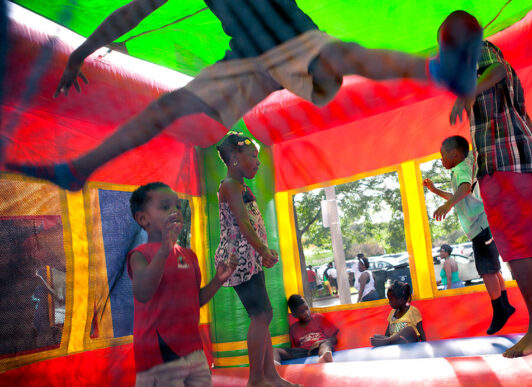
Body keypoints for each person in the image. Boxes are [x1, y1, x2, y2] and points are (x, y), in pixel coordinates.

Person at [6, 3, 483, 191]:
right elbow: (131, 11)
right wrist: (81, 53)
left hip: (292, 45)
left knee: (339, 61)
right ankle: (79, 169)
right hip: (249, 58)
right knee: (168, 106)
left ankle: (440, 71)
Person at [445, 11, 532, 357]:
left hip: (502, 164)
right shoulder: (490, 66)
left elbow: (496, 70)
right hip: (524, 161)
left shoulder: (483, 54)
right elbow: (524, 116)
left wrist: (467, 92)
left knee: (517, 248)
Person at [126, 182, 237, 386]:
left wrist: (218, 281)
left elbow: (195, 300)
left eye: (177, 206)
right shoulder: (140, 255)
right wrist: (165, 249)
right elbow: (142, 292)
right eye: (165, 206)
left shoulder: (189, 255)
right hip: (159, 355)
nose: (175, 211)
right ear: (143, 219)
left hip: (193, 350)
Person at [214, 132, 296, 387]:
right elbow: (243, 223)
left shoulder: (240, 186)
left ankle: (270, 375)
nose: (258, 162)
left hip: (250, 261)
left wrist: (260, 253)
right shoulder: (228, 185)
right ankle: (256, 380)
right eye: (253, 156)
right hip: (238, 262)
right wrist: (262, 250)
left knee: (263, 316)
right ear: (235, 159)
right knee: (262, 315)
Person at [424, 135, 515, 335]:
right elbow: (459, 193)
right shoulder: (465, 166)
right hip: (483, 224)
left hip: (479, 225)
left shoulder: (461, 168)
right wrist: (435, 191)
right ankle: (505, 305)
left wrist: (447, 205)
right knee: (493, 268)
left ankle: (499, 309)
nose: (441, 160)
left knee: (487, 271)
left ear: (454, 154)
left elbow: (464, 189)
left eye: (442, 155)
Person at [274, 294, 338, 365]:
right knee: (275, 351)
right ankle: (275, 367)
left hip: (319, 347)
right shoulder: (293, 329)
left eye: (307, 308)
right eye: (302, 312)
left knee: (325, 344)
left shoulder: (319, 318)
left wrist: (320, 342)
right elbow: (295, 349)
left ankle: (324, 358)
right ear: (294, 315)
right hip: (304, 352)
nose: (306, 313)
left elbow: (335, 339)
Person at [370, 281, 426, 346]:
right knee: (376, 336)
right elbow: (387, 333)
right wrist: (385, 339)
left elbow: (420, 330)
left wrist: (425, 344)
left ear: (400, 300)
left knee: (409, 329)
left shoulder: (413, 311)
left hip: (410, 342)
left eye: (391, 300)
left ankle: (389, 341)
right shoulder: (392, 313)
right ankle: (392, 341)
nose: (389, 302)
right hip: (396, 342)